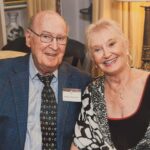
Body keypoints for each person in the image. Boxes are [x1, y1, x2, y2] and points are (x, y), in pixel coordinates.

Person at [0, 10, 91, 150]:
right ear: (29, 38)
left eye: (60, 38)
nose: (54, 47)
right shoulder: (3, 74)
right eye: (46, 37)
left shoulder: (82, 82)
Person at [71, 19, 150, 150]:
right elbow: (79, 144)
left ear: (126, 45)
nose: (107, 54)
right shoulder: (92, 93)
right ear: (93, 59)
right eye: (98, 50)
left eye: (111, 44)